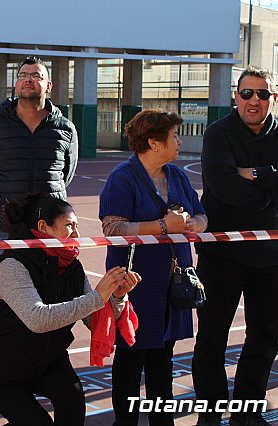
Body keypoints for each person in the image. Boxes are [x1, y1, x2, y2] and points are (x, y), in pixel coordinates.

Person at [0, 193, 141, 425]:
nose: (77, 235)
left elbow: (94, 320)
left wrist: (117, 297)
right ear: (43, 227)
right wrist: (98, 297)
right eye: (69, 226)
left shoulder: (72, 267)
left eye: (77, 226)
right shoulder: (12, 266)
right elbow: (37, 319)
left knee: (73, 399)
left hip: (46, 359)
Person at [99, 109, 207, 426]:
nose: (179, 141)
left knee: (163, 358)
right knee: (132, 357)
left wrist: (192, 225)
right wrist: (162, 225)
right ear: (154, 142)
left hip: (172, 281)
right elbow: (113, 229)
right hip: (134, 283)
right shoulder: (123, 177)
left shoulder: (177, 176)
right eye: (174, 136)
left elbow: (201, 215)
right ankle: (126, 421)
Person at [192, 65, 278, 426]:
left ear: (273, 99)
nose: (253, 100)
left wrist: (256, 174)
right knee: (212, 338)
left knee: (266, 336)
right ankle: (210, 415)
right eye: (247, 93)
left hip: (272, 259)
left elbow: (239, 184)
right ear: (235, 96)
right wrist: (271, 191)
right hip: (221, 255)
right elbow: (224, 186)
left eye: (261, 94)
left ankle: (248, 413)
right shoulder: (218, 134)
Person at [0, 56, 78, 239]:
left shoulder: (65, 129)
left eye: (36, 75)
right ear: (16, 85)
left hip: (51, 226)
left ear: (49, 86)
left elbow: (66, 174)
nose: (28, 79)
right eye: (23, 75)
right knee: (5, 268)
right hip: (5, 226)